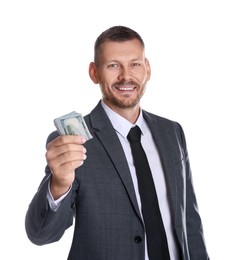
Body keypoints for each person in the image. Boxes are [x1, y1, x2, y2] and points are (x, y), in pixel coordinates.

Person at [25, 25, 210, 260]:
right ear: (94, 73)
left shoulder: (172, 132)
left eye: (134, 64)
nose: (125, 76)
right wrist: (59, 184)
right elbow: (41, 235)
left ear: (148, 69)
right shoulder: (72, 142)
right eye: (113, 65)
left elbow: (189, 222)